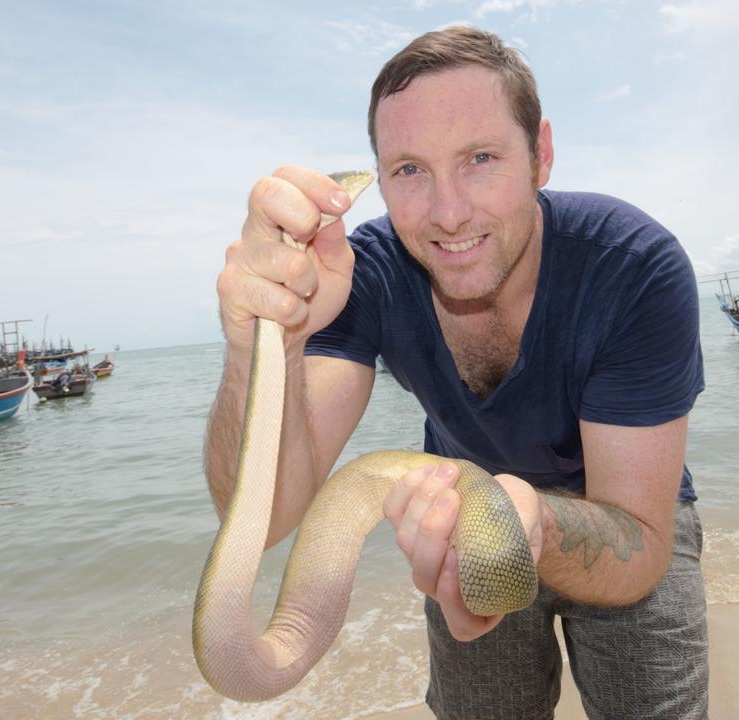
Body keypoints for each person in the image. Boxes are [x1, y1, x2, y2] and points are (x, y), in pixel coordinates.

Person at [208, 25, 707, 720]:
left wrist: (526, 520)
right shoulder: (361, 274)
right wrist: (267, 336)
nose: (447, 213)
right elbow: (261, 521)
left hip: (622, 521)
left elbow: (643, 545)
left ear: (542, 155)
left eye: (480, 157)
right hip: (464, 528)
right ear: (377, 179)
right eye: (410, 169)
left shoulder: (633, 267)